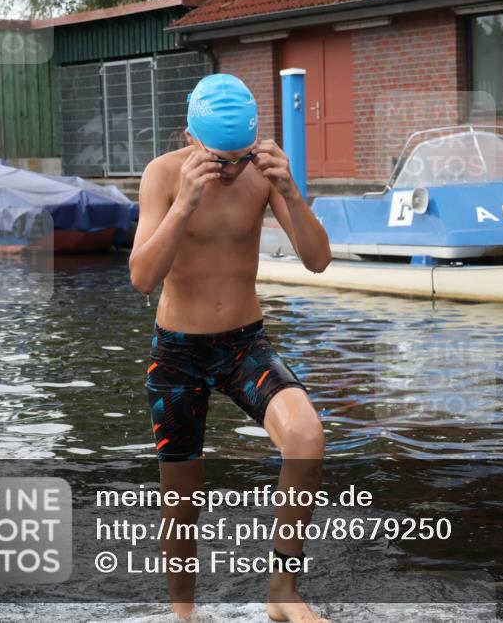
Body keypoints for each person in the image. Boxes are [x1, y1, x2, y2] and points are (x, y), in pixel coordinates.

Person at [129, 73, 332, 623]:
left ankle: (282, 593)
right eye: (220, 159)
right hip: (177, 354)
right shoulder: (163, 175)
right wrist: (183, 206)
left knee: (307, 436)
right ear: (192, 140)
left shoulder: (263, 176)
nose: (230, 170)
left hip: (244, 346)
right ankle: (184, 615)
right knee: (182, 498)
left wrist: (289, 191)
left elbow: (318, 259)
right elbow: (143, 278)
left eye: (240, 158)